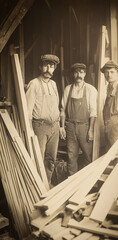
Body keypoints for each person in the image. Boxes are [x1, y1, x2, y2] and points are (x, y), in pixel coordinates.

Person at [26, 54, 60, 186]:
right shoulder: (33, 84)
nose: (48, 68)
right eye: (46, 65)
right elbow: (28, 111)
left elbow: (56, 104)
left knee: (51, 158)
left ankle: (47, 183)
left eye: (51, 66)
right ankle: (38, 186)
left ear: (54, 69)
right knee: (38, 158)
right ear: (40, 67)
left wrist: (58, 124)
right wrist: (30, 131)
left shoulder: (54, 84)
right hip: (40, 126)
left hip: (54, 126)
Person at [60, 63, 98, 175]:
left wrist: (91, 130)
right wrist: (62, 127)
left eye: (81, 72)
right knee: (71, 156)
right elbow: (62, 110)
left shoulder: (91, 89)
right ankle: (72, 181)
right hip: (70, 126)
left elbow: (93, 112)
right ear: (73, 74)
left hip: (85, 127)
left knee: (88, 155)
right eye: (76, 72)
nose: (78, 75)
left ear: (85, 74)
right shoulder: (68, 89)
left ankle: (87, 182)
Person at [100, 60, 118, 151]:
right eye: (106, 72)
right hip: (108, 125)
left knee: (117, 152)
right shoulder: (109, 87)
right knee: (109, 152)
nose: (109, 75)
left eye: (112, 72)